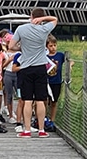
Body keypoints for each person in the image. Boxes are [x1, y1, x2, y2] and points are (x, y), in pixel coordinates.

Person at [10, 8, 57, 138]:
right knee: (41, 99)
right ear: (41, 17)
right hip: (40, 66)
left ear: (31, 16)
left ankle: (27, 130)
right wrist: (43, 19)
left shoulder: (21, 29)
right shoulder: (44, 29)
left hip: (26, 68)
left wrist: (21, 48)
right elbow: (55, 19)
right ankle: (41, 129)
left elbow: (10, 46)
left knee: (28, 100)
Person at [46, 34, 68, 129]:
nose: (53, 48)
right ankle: (44, 118)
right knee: (44, 101)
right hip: (46, 82)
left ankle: (52, 120)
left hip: (56, 81)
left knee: (54, 101)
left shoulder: (60, 55)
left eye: (55, 45)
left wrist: (70, 64)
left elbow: (68, 60)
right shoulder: (44, 56)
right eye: (50, 46)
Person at [2, 34, 19, 124]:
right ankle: (10, 114)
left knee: (20, 94)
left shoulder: (20, 52)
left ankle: (19, 114)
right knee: (9, 94)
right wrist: (9, 60)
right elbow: (2, 66)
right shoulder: (5, 53)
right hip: (8, 73)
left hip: (18, 74)